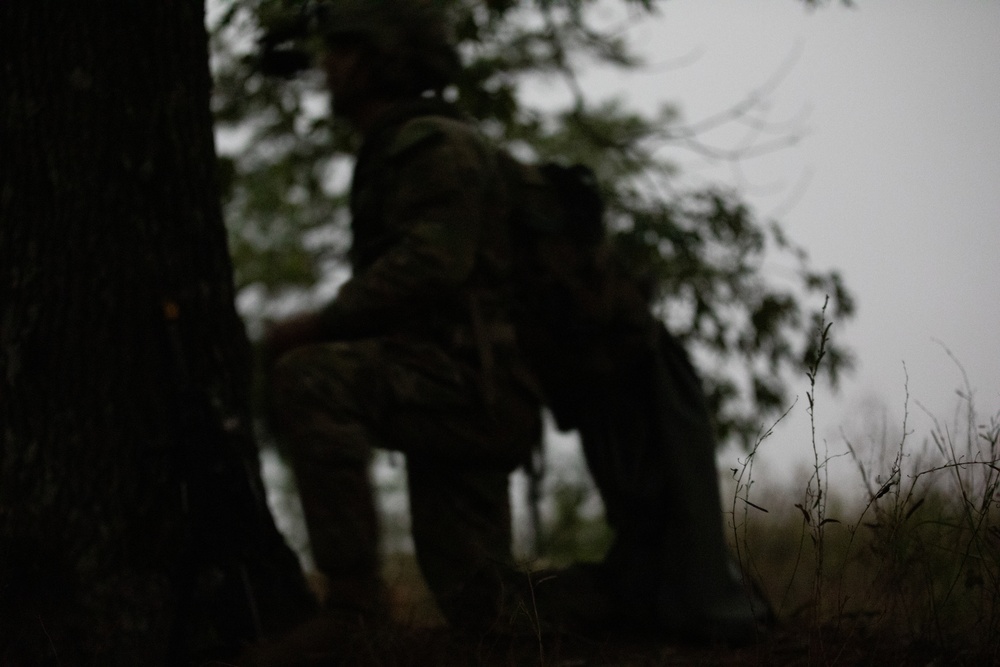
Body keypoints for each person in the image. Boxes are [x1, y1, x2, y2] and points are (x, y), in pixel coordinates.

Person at [250, 1, 771, 661]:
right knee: (486, 609)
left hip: (468, 388)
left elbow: (434, 263)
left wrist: (313, 324)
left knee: (309, 375)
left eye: (345, 49)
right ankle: (635, 597)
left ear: (382, 58)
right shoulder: (409, 144)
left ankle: (352, 608)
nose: (328, 64)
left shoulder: (430, 144)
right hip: (462, 388)